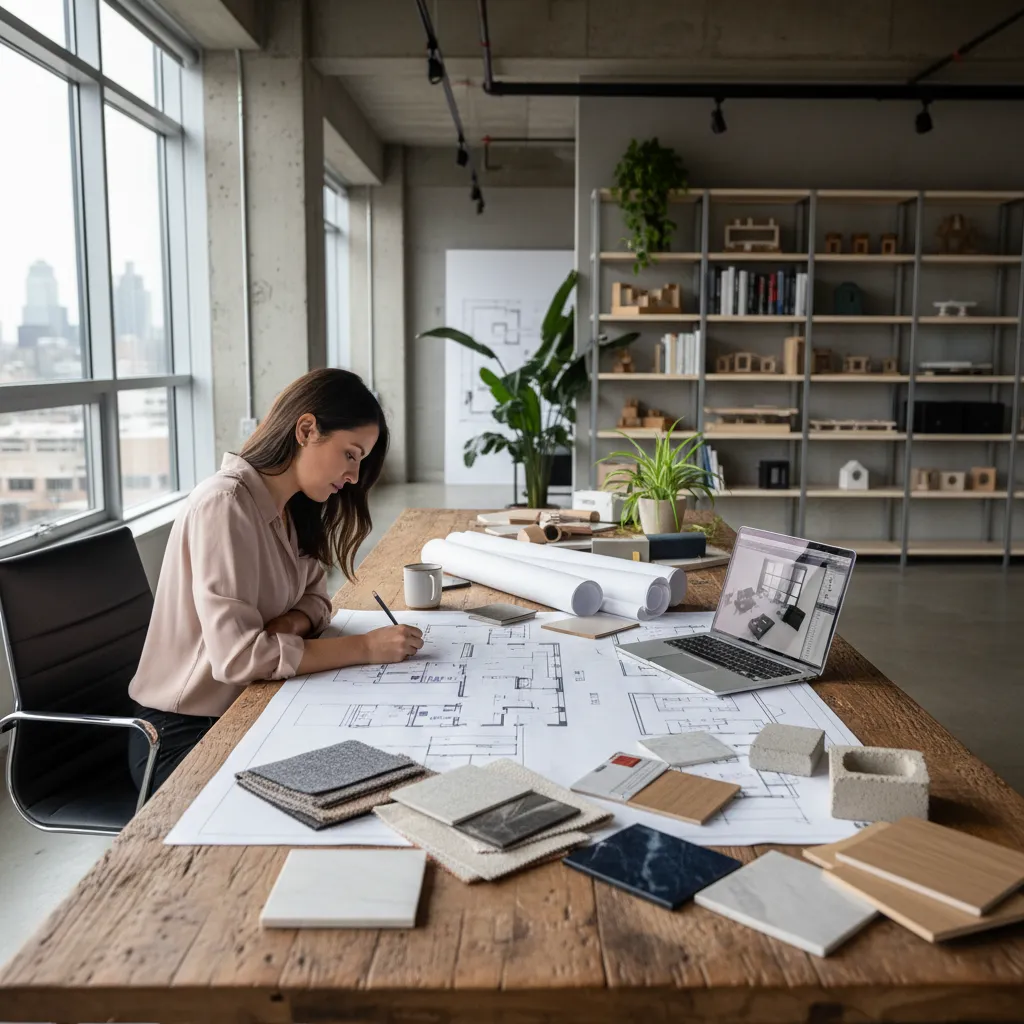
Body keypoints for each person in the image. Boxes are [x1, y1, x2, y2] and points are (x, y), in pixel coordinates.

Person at [128, 368, 423, 793]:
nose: (355, 477)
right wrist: (365, 647)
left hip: (250, 706)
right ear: (306, 430)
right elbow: (239, 659)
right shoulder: (225, 505)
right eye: (350, 454)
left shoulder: (289, 507)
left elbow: (317, 599)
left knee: (380, 758)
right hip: (184, 737)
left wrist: (285, 625)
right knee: (354, 783)